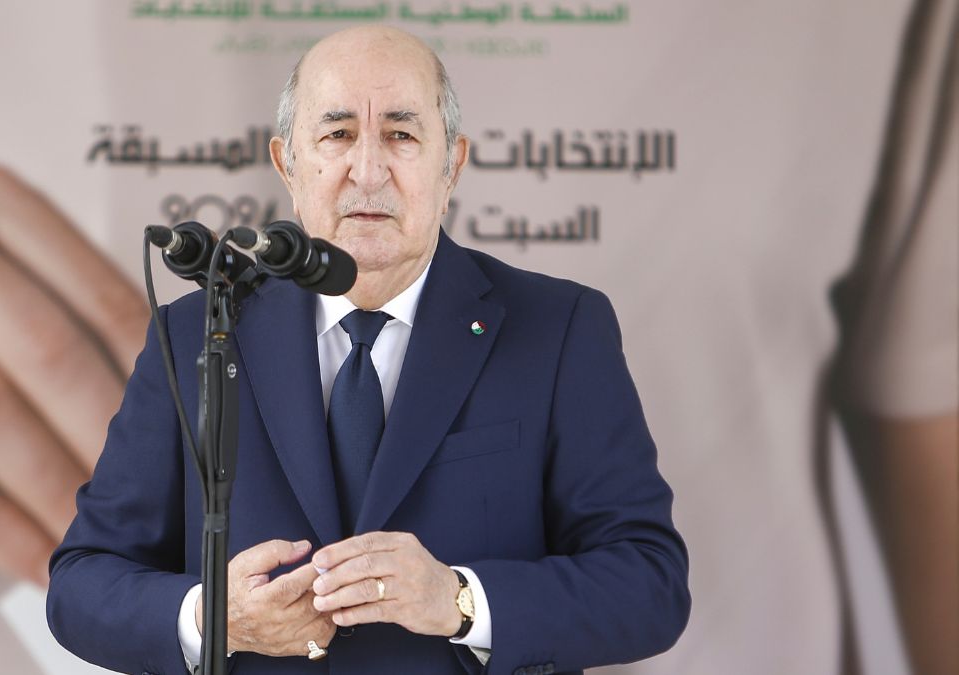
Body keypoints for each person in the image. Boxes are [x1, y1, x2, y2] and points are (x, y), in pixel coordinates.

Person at [46, 25, 690, 675]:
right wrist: (216, 618)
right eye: (338, 135)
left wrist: (461, 599)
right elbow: (81, 584)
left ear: (452, 164)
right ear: (287, 165)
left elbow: (649, 583)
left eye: (402, 135)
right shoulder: (197, 331)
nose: (369, 170)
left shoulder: (559, 327)